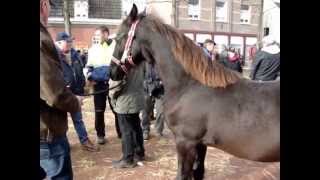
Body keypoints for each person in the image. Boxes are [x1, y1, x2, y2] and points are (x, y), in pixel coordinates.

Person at [40, 0, 80, 179]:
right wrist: (74, 102)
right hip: (47, 136)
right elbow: (54, 93)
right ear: (43, 5)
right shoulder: (41, 40)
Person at [55, 32, 99, 152]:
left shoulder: (75, 54)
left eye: (70, 41)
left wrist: (83, 88)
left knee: (78, 119)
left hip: (76, 93)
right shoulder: (53, 56)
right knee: (60, 119)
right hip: (61, 95)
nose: (70, 43)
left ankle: (84, 141)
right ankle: (62, 144)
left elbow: (79, 72)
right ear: (59, 43)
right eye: (67, 41)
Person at [110, 63, 146, 169]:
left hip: (125, 100)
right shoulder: (139, 61)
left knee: (126, 130)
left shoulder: (124, 62)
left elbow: (117, 84)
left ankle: (128, 159)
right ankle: (139, 154)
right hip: (137, 98)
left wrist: (112, 94)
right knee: (136, 126)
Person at [86, 26, 116, 144]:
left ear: (106, 34)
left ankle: (121, 132)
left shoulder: (115, 47)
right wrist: (89, 75)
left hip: (113, 83)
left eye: (98, 35)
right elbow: (89, 66)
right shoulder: (93, 49)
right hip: (98, 84)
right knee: (99, 110)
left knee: (117, 109)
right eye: (96, 35)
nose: (96, 38)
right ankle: (100, 135)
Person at [141, 62, 156, 140]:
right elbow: (141, 75)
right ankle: (145, 130)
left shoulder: (159, 58)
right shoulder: (144, 61)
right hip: (147, 88)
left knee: (161, 112)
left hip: (158, 87)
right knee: (145, 110)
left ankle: (159, 130)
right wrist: (146, 86)